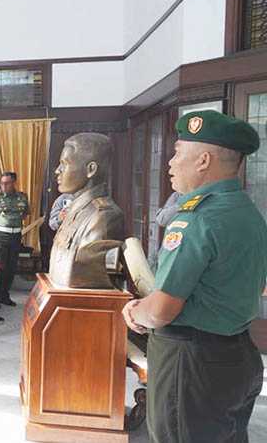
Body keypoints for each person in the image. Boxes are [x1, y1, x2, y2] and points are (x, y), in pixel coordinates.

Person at [122, 110, 266, 443]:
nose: (171, 163)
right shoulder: (248, 213)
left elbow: (161, 310)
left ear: (203, 161)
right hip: (239, 355)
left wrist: (133, 311)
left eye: (177, 154)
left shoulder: (195, 220)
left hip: (191, 363)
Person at [50, 133, 124, 289]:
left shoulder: (105, 216)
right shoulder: (75, 209)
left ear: (90, 170)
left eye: (64, 164)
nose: (57, 171)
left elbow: (89, 278)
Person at [0, 171, 29, 308]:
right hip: (0, 236)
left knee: (11, 268)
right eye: (2, 183)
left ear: (14, 183)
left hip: (15, 236)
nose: (3, 186)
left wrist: (14, 224)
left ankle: (5, 296)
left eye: (7, 183)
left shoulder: (22, 197)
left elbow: (26, 213)